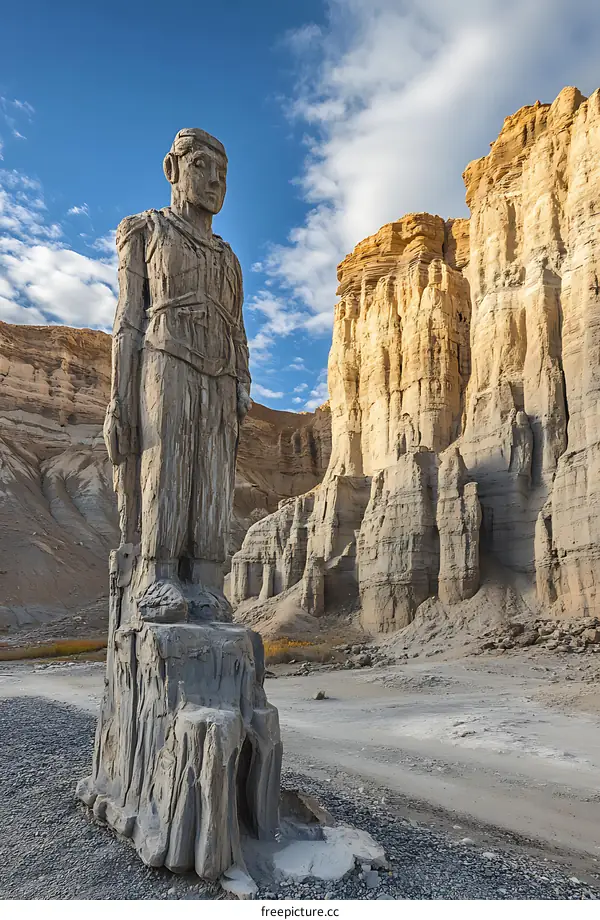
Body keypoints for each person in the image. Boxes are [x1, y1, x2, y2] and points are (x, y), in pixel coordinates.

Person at [104, 128, 251, 619]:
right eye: (201, 167)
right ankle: (160, 575)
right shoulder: (144, 230)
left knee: (212, 476)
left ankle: (206, 582)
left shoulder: (229, 258)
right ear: (172, 169)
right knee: (166, 463)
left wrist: (242, 383)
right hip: (164, 357)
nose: (214, 181)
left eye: (223, 174)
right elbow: (128, 318)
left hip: (222, 374)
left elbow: (239, 327)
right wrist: (119, 400)